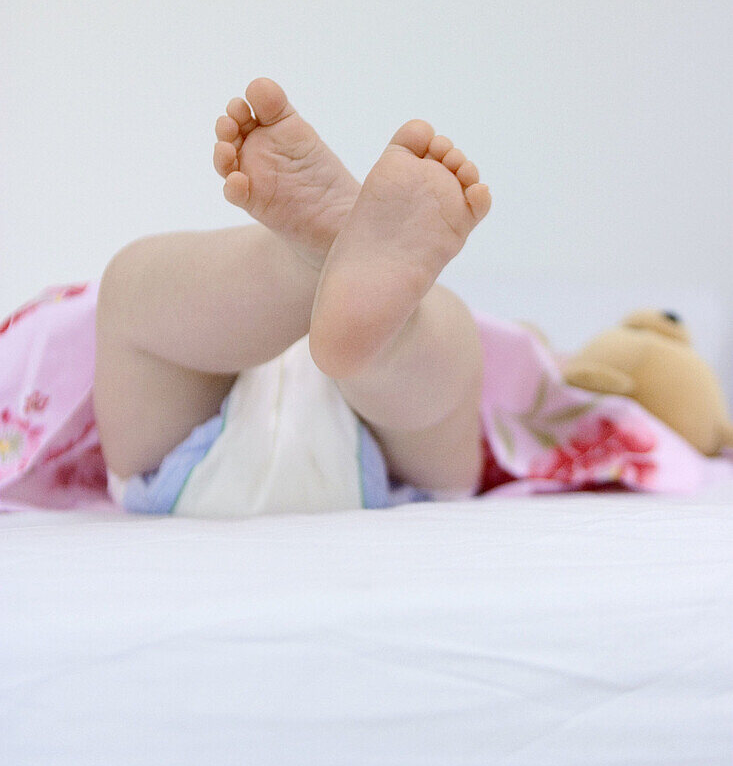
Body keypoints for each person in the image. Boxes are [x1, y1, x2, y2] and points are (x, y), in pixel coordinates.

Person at [93, 76, 494, 516]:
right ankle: (382, 331)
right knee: (445, 346)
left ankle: (296, 268)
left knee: (129, 291)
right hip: (392, 479)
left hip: (173, 475)